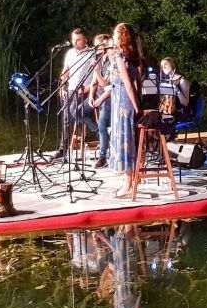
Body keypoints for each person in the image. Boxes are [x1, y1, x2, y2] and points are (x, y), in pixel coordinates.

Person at [52, 28, 99, 161]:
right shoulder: (70, 53)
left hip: (85, 90)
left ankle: (96, 133)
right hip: (71, 89)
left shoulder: (91, 53)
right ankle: (63, 149)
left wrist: (88, 89)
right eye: (73, 39)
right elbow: (66, 71)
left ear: (85, 40)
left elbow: (96, 74)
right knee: (66, 117)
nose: (75, 42)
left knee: (72, 113)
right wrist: (62, 86)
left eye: (78, 40)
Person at [109, 23, 141, 198]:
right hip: (119, 100)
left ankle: (128, 184)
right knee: (125, 139)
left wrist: (136, 107)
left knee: (125, 141)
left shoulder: (120, 57)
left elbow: (128, 84)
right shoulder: (125, 56)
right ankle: (130, 180)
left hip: (123, 102)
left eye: (115, 35)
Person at [88, 34, 113, 168]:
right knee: (78, 111)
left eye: (98, 46)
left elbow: (105, 84)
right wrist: (91, 96)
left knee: (102, 122)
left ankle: (103, 156)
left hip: (108, 97)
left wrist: (96, 70)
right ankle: (100, 132)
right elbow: (94, 82)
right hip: (97, 96)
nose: (96, 49)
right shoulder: (98, 59)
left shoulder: (111, 61)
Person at [159, 57, 192, 122]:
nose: (163, 67)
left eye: (166, 64)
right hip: (168, 111)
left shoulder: (182, 81)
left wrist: (177, 90)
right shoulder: (166, 81)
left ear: (173, 65)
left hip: (180, 112)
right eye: (162, 66)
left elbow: (185, 103)